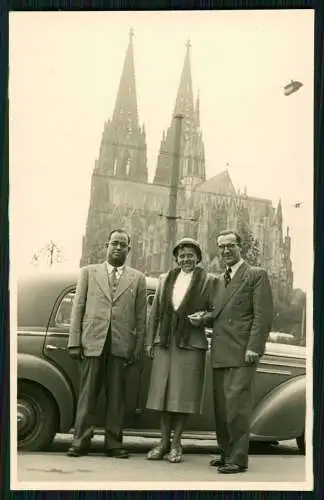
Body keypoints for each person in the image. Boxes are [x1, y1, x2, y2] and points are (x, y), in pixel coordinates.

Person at [190, 230, 273, 474]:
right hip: (220, 351)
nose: (226, 251)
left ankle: (238, 459)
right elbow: (218, 314)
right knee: (222, 407)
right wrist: (202, 318)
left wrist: (254, 348)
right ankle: (226, 453)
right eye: (221, 246)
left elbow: (263, 316)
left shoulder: (256, 275)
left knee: (237, 407)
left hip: (241, 352)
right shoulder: (219, 280)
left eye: (230, 246)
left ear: (240, 247)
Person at [66, 229, 147, 458]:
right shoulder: (88, 273)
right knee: (88, 394)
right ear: (106, 245)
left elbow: (142, 317)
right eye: (115, 243)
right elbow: (78, 308)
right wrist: (74, 342)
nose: (118, 248)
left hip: (121, 345)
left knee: (117, 397)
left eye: (123, 245)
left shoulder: (137, 278)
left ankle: (113, 443)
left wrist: (137, 347)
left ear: (129, 250)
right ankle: (80, 441)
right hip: (92, 341)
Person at [145, 237, 217, 463]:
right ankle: (163, 441)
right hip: (166, 343)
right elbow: (155, 313)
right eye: (182, 255)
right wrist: (149, 342)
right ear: (176, 258)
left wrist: (203, 319)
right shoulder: (165, 279)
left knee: (182, 396)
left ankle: (177, 443)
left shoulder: (209, 281)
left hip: (191, 344)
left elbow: (216, 312)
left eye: (190, 255)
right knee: (163, 395)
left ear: (198, 257)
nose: (186, 259)